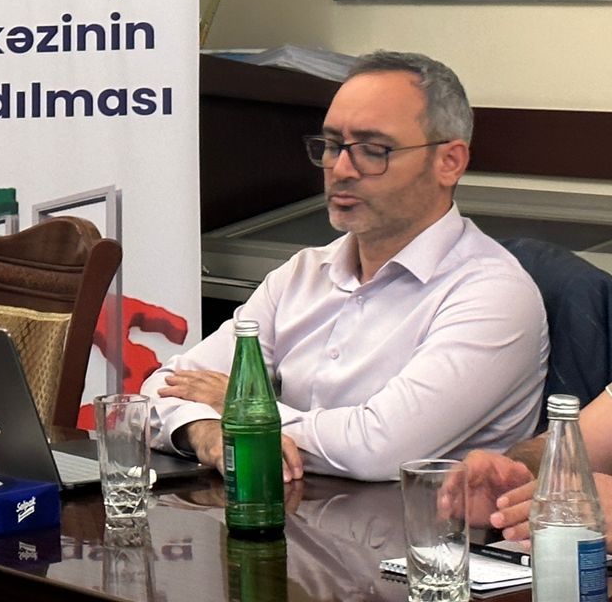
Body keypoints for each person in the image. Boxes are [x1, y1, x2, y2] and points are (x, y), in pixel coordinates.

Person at [143, 50, 546, 482]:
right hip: (284, 512)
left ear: (449, 162)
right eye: (332, 146)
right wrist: (205, 430)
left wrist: (243, 409)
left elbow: (377, 448)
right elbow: (158, 391)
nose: (341, 169)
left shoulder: (493, 294)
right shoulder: (301, 274)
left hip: (412, 522)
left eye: (373, 150)